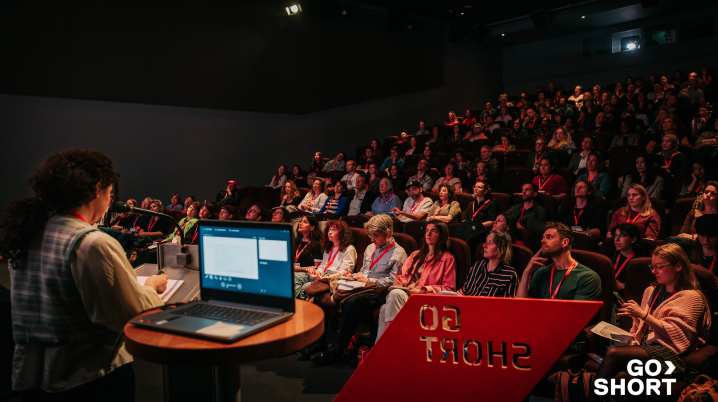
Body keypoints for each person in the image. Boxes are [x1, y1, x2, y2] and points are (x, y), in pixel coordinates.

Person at [0, 149, 167, 399]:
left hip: (38, 375)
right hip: (89, 379)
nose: (110, 201)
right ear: (95, 189)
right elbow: (131, 315)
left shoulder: (28, 233)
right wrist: (151, 287)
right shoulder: (91, 243)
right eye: (110, 194)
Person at [585, 244, 711, 401]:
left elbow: (679, 337)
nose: (654, 271)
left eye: (660, 266)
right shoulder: (651, 291)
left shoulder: (692, 297)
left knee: (613, 354)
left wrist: (643, 315)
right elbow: (643, 328)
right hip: (644, 349)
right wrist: (636, 318)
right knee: (621, 377)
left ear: (678, 266)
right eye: (653, 266)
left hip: (669, 356)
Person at [310, 215, 407, 365]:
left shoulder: (398, 253)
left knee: (352, 302)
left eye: (375, 236)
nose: (372, 240)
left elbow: (394, 282)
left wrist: (369, 280)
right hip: (360, 285)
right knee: (323, 292)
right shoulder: (370, 248)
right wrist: (354, 275)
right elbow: (364, 270)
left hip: (377, 291)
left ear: (387, 234)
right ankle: (319, 342)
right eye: (370, 235)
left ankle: (338, 349)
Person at [376, 221, 456, 341]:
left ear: (441, 235)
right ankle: (386, 351)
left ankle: (387, 344)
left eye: (433, 231)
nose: (428, 234)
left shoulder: (447, 259)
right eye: (427, 231)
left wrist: (422, 291)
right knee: (392, 297)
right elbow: (404, 276)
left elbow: (449, 288)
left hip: (424, 299)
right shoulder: (415, 255)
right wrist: (400, 282)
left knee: (384, 309)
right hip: (407, 294)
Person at [517, 222, 602, 300]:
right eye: (543, 237)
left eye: (549, 237)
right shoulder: (541, 271)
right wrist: (527, 272)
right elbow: (521, 305)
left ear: (565, 242)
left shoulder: (587, 277)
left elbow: (577, 315)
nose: (542, 240)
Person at [298, 220, 357, 299]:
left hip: (333, 277)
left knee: (305, 287)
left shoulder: (349, 249)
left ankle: (303, 309)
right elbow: (322, 266)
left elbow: (345, 271)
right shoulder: (329, 248)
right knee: (295, 278)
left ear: (342, 233)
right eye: (329, 229)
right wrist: (316, 272)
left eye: (334, 230)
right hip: (323, 274)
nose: (330, 232)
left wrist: (325, 278)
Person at [459, 231, 518, 297]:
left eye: (490, 243)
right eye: (485, 242)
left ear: (502, 250)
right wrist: (461, 292)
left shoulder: (510, 274)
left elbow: (508, 304)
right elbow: (465, 290)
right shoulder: (477, 266)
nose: (484, 245)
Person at [456, 181, 497, 252]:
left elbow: (492, 221)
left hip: (481, 230)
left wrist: (477, 226)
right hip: (468, 229)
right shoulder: (471, 204)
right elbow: (464, 219)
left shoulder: (490, 204)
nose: (476, 189)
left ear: (485, 191)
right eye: (475, 187)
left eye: (479, 187)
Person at [609, 223, 650, 291]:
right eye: (615, 235)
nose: (616, 239)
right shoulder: (612, 255)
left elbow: (644, 287)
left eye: (622, 235)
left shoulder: (641, 261)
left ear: (633, 239)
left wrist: (624, 286)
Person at [292, 215, 323, 301]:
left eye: (305, 222)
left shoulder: (316, 244)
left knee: (294, 277)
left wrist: (299, 269)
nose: (300, 224)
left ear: (312, 227)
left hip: (307, 273)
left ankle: (293, 305)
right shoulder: (297, 241)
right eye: (301, 221)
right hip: (295, 271)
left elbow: (317, 266)